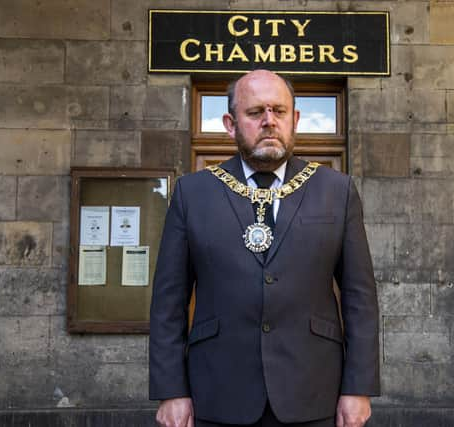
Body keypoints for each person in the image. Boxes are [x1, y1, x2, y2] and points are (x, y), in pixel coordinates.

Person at [149, 69, 380, 427]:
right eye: (255, 112)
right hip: (218, 390)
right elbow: (168, 301)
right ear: (230, 123)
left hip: (314, 389)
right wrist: (171, 391)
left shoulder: (336, 190)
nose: (269, 121)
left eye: (279, 111)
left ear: (295, 120)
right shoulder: (193, 193)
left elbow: (359, 296)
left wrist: (359, 387)